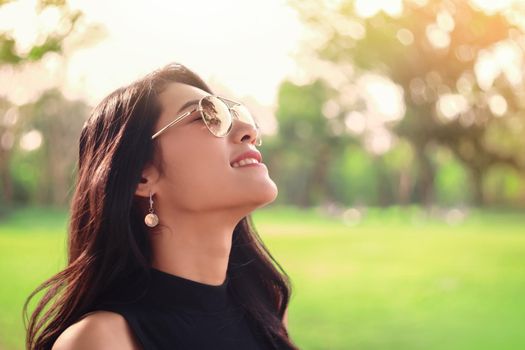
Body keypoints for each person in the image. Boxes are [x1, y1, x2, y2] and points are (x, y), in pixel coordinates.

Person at [24, 62, 298, 350]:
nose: (247, 129)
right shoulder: (102, 340)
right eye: (206, 117)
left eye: (236, 114)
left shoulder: (267, 303)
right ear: (142, 176)